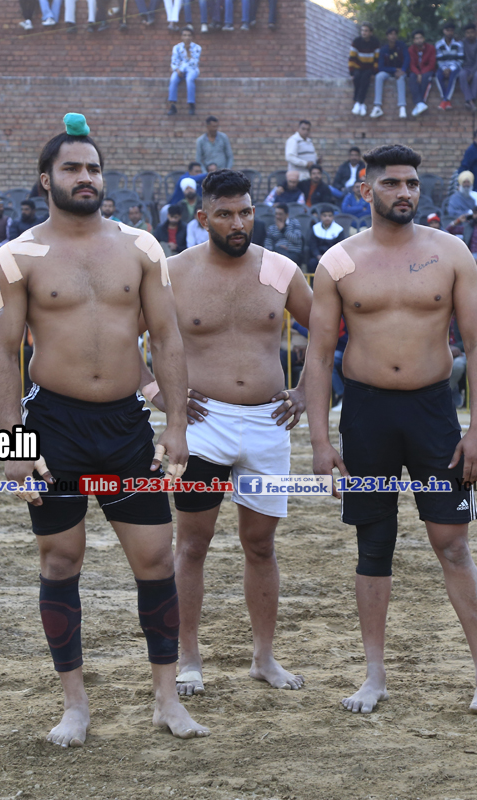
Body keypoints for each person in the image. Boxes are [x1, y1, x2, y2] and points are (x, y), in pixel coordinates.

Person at [0, 114, 204, 747]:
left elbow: (166, 337)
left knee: (155, 558)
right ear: (45, 179)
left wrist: (176, 425)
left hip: (126, 425)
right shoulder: (16, 256)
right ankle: (75, 706)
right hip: (52, 424)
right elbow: (0, 354)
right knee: (61, 559)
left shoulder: (141, 248)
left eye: (94, 168)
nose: (86, 177)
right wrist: (11, 443)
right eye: (73, 168)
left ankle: (166, 699)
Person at [305, 143, 477, 718]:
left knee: (452, 542)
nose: (405, 192)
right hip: (366, 414)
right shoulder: (339, 260)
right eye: (391, 183)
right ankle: (374, 676)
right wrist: (320, 441)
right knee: (373, 543)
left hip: (432, 412)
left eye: (412, 182)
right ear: (366, 190)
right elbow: (317, 355)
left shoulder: (451, 252)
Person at [134, 170, 313, 698]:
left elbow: (327, 331)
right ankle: (189, 658)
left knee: (261, 544)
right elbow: (123, 337)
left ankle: (264, 658)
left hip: (268, 423)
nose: (238, 223)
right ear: (203, 217)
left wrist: (307, 389)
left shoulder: (280, 269)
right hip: (202, 424)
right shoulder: (173, 273)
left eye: (246, 212)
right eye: (226, 214)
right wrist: (156, 392)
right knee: (192, 544)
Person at [372, 27, 408, 119]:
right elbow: (381, 67)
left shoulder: (402, 46)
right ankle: (377, 106)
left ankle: (402, 107)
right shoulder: (384, 49)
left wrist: (403, 70)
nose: (393, 36)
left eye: (394, 34)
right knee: (379, 76)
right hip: (389, 71)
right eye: (391, 34)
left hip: (401, 71)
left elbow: (407, 59)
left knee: (400, 78)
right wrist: (394, 69)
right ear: (387, 36)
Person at [167, 26, 202, 116]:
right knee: (173, 79)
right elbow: (174, 61)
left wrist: (188, 52)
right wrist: (177, 70)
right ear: (181, 37)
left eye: (189, 35)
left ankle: (191, 104)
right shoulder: (177, 47)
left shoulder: (197, 47)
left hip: (192, 69)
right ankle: (172, 105)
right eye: (185, 35)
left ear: (192, 37)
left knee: (189, 79)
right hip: (180, 69)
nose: (187, 37)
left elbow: (194, 63)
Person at [348, 24, 380, 116]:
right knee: (357, 77)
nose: (364, 33)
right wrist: (351, 72)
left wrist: (374, 72)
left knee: (365, 79)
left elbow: (377, 59)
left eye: (366, 31)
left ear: (371, 32)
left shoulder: (375, 42)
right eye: (362, 30)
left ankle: (358, 102)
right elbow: (352, 58)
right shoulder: (356, 41)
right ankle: (361, 103)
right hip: (358, 67)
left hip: (369, 68)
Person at [434, 22, 463, 111]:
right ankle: (446, 100)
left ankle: (445, 100)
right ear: (444, 31)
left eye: (451, 31)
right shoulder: (438, 44)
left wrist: (450, 69)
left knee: (452, 78)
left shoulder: (459, 44)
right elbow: (439, 60)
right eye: (448, 31)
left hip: (455, 67)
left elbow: (460, 60)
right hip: (443, 67)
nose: (449, 33)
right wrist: (444, 69)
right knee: (438, 76)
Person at [408, 30, 437, 117]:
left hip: (427, 70)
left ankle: (419, 103)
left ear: (423, 38)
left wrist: (421, 73)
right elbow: (412, 64)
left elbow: (432, 64)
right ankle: (419, 103)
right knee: (412, 77)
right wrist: (418, 73)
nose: (419, 40)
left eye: (420, 38)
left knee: (425, 78)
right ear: (414, 40)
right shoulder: (411, 49)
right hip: (416, 71)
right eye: (416, 38)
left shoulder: (430, 48)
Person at [459, 22, 477, 112]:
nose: (470, 35)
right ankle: (470, 101)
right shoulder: (462, 43)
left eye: (471, 32)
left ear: (475, 33)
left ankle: (470, 101)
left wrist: (472, 74)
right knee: (461, 74)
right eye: (467, 33)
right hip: (466, 67)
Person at [309, 208, 345, 273]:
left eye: (330, 216)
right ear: (320, 216)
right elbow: (313, 245)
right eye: (324, 216)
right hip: (318, 257)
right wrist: (318, 255)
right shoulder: (315, 228)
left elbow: (340, 248)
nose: (327, 218)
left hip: (333, 258)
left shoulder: (339, 230)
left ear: (333, 217)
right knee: (312, 263)